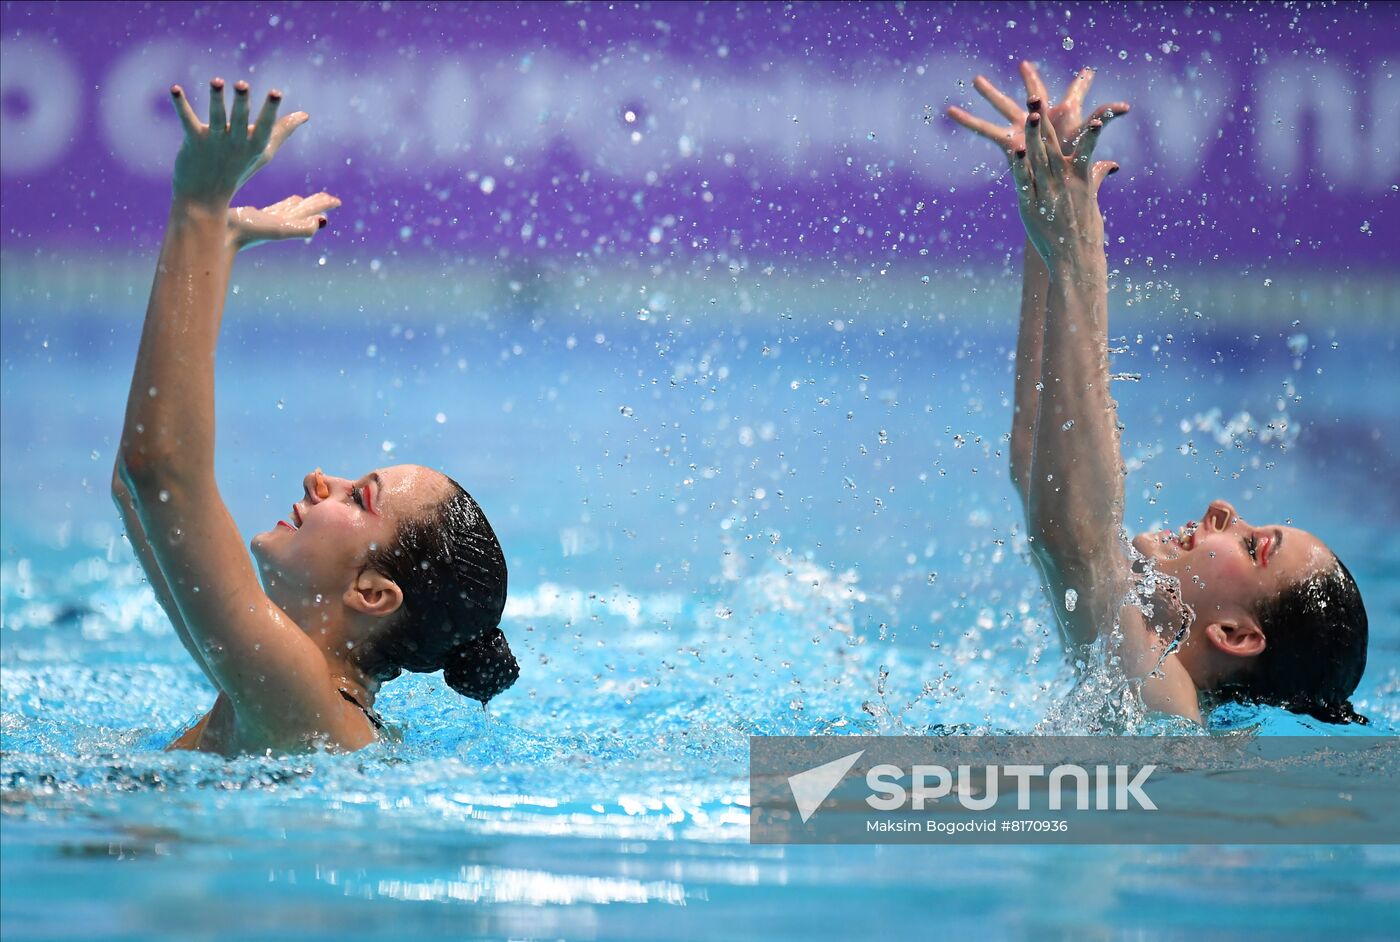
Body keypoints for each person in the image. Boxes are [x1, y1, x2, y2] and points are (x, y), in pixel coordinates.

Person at [948, 62, 1368, 726]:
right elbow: (1037, 461)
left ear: (1234, 636)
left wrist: (1078, 252)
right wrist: (1050, 224)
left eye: (1254, 546)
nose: (1226, 509)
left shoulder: (1166, 702)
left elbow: (1069, 535)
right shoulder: (1147, 683)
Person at [111, 79, 519, 755]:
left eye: (360, 497)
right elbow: (136, 490)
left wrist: (198, 210)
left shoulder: (305, 700)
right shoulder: (276, 680)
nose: (318, 478)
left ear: (373, 593)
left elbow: (160, 475)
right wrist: (215, 246)